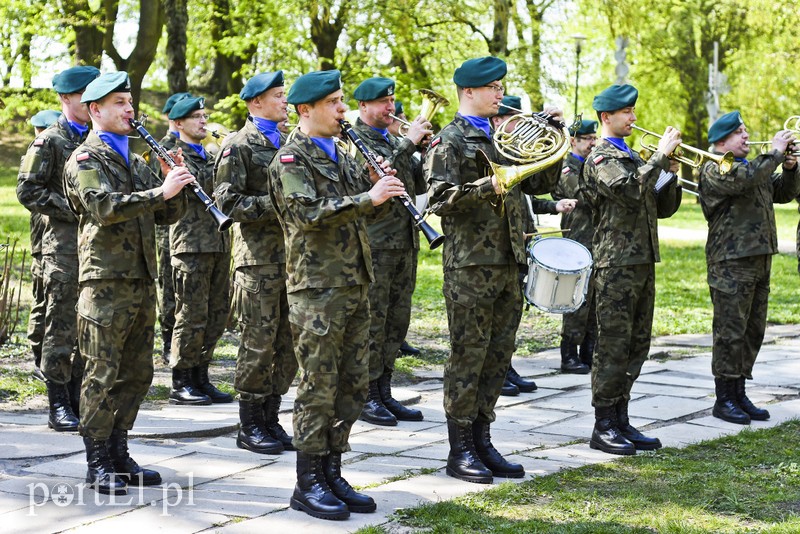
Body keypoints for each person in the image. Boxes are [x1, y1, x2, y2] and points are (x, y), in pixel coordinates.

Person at [268, 69, 404, 520]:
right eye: (335, 103)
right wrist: (371, 197)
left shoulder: (343, 154)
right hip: (317, 290)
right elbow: (308, 213)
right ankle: (308, 481)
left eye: (343, 101)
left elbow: (359, 211)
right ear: (306, 110)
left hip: (354, 282)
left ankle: (333, 469)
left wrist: (374, 184)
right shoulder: (290, 160)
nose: (343, 110)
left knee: (352, 384)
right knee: (318, 386)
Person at [424, 57, 562, 484]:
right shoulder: (449, 140)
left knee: (498, 355)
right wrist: (487, 184)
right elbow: (438, 198)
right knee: (469, 354)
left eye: (502, 87)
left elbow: (540, 184)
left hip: (508, 260)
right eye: (493, 88)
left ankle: (483, 437)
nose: (500, 94)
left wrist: (557, 137)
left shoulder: (503, 137)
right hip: (470, 265)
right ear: (470, 91)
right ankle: (460, 446)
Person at [63, 71, 192, 495]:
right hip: (104, 282)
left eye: (130, 101)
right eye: (119, 102)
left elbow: (164, 217)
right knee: (101, 373)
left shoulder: (135, 161)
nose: (129, 109)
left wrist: (177, 186)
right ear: (95, 109)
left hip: (141, 278)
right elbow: (102, 206)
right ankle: (97, 459)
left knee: (136, 374)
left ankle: (119, 450)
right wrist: (161, 192)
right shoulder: (85, 159)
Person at [579, 84, 682, 456]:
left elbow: (663, 206)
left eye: (634, 111)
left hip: (641, 260)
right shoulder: (601, 157)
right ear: (607, 117)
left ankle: (621, 416)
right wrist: (657, 158)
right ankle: (603, 423)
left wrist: (670, 171)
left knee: (638, 342)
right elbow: (627, 191)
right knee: (613, 344)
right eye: (627, 112)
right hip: (615, 263)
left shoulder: (636, 158)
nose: (634, 118)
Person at [214, 71, 297, 454]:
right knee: (258, 343)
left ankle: (271, 416)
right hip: (258, 262)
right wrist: (276, 205)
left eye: (284, 95)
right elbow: (227, 203)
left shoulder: (295, 141)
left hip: (295, 259)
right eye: (278, 95)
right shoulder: (238, 146)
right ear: (255, 102)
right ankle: (250, 423)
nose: (285, 101)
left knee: (287, 343)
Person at [698, 111, 799, 424]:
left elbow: (782, 192)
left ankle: (739, 390)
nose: (745, 136)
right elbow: (745, 181)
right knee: (730, 330)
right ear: (722, 141)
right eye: (738, 133)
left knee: (752, 329)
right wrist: (774, 152)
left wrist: (790, 168)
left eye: (744, 131)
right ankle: (723, 397)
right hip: (731, 260)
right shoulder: (717, 166)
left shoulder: (750, 166)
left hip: (759, 258)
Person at [17, 66, 100, 432]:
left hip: (97, 248)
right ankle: (58, 402)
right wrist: (74, 208)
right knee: (61, 325)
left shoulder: (103, 138)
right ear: (66, 98)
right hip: (61, 248)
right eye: (84, 94)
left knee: (89, 325)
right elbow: (28, 190)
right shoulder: (50, 140)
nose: (91, 101)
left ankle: (80, 396)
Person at [351, 77, 431, 426]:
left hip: (404, 242)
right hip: (376, 244)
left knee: (396, 323)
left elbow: (419, 184)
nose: (391, 108)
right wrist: (409, 144)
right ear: (363, 107)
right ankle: (366, 395)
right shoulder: (352, 141)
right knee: (374, 321)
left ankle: (384, 390)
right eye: (382, 102)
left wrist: (427, 151)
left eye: (392, 100)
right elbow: (373, 175)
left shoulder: (395, 140)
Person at [489, 95, 579, 393]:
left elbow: (531, 195)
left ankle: (506, 366)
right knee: (495, 317)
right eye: (516, 120)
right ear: (499, 121)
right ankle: (498, 371)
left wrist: (554, 132)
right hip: (492, 247)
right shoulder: (495, 152)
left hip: (522, 238)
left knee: (512, 313)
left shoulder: (517, 156)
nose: (522, 126)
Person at [161, 96, 233, 406]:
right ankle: (182, 379)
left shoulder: (211, 154)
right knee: (190, 315)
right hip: (190, 244)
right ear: (178, 124)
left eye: (204, 116)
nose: (204, 122)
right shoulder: (170, 155)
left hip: (218, 243)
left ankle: (202, 375)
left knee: (216, 315)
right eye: (196, 118)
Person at [553, 119, 599, 374]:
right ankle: (568, 354)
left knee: (594, 301)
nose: (593, 143)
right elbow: (583, 196)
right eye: (587, 139)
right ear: (573, 140)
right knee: (576, 299)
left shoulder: (590, 165)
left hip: (597, 240)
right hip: (577, 241)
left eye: (594, 138)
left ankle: (589, 350)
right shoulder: (567, 168)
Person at [154, 91, 192, 365]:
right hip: (167, 231)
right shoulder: (159, 147)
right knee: (168, 285)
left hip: (188, 227)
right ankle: (168, 341)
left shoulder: (191, 145)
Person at [25, 109, 62, 383]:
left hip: (56, 242)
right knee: (42, 301)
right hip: (43, 243)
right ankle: (38, 356)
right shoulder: (37, 153)